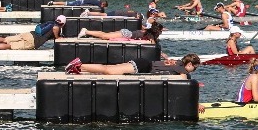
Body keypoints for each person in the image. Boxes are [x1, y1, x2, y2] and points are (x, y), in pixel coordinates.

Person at [66, 52, 199, 77]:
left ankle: (78, 67)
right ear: (189, 64)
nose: (194, 70)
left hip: (144, 63)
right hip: (143, 66)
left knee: (110, 69)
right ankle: (79, 65)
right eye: (194, 67)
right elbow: (183, 80)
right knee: (109, 70)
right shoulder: (183, 69)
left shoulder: (178, 63)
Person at [0, 16, 67, 50]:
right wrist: (57, 37)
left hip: (30, 34)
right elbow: (55, 29)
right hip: (33, 41)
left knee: (6, 39)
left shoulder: (51, 22)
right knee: (10, 46)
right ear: (63, 24)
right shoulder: (57, 26)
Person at [78, 22, 164, 42]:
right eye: (161, 31)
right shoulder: (150, 35)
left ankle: (87, 32)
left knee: (104, 35)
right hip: (126, 34)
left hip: (126, 33)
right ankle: (86, 31)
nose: (161, 32)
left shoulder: (149, 33)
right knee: (104, 36)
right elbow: (152, 43)